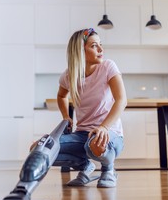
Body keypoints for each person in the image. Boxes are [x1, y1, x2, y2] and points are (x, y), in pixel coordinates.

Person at [52, 28, 127, 188]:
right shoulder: (69, 75)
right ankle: (85, 167)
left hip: (111, 133)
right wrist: (66, 116)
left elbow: (121, 100)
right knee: (42, 149)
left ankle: (109, 170)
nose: (101, 49)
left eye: (100, 44)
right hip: (82, 134)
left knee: (93, 145)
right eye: (94, 46)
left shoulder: (108, 66)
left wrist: (103, 127)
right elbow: (61, 96)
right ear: (80, 51)